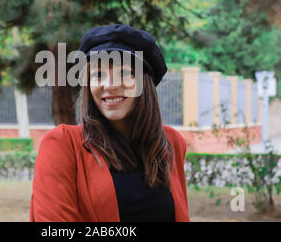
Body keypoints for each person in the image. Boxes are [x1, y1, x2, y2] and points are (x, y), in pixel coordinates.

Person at [30, 23, 189, 222]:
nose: (110, 85)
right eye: (97, 75)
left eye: (124, 73)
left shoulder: (170, 142)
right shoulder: (63, 144)